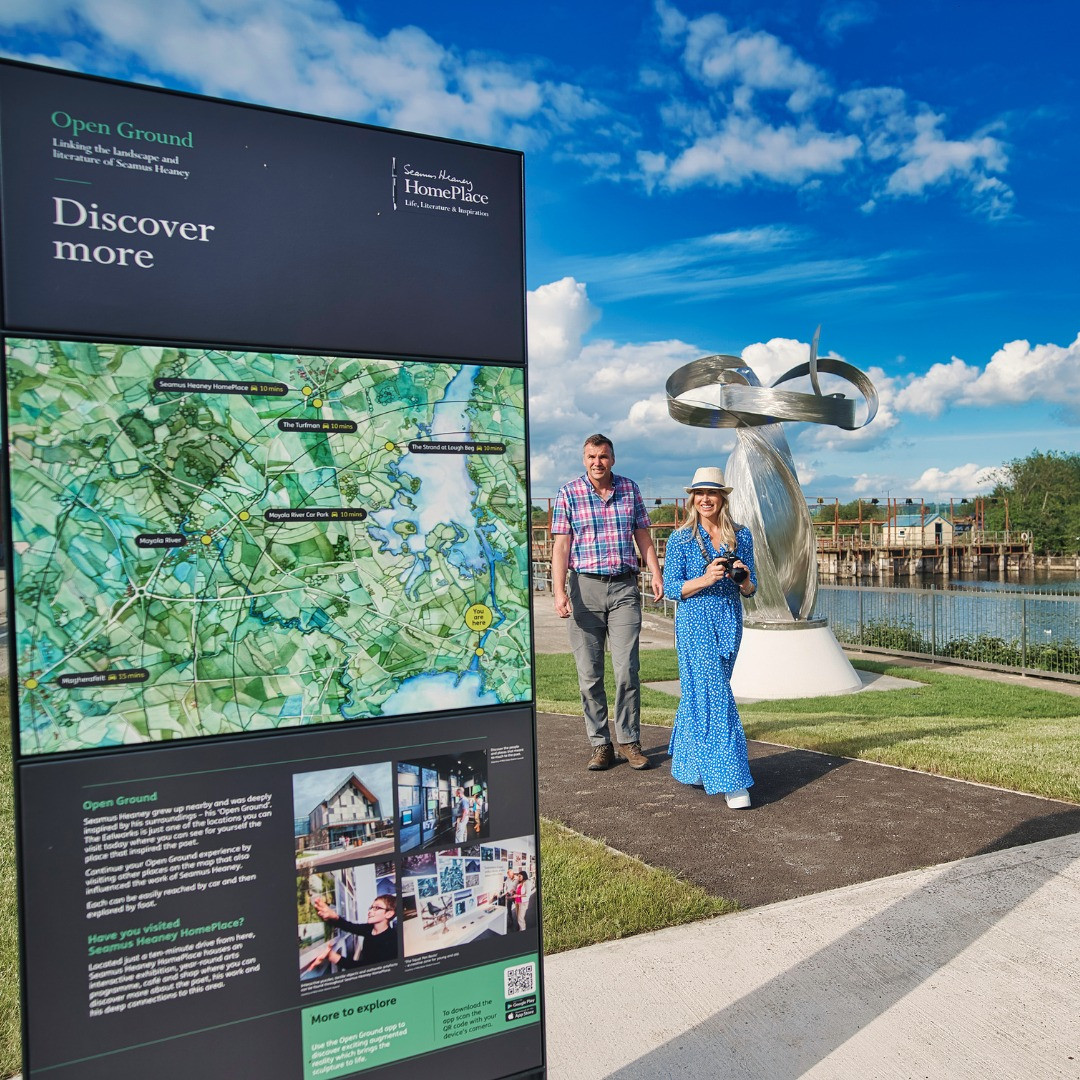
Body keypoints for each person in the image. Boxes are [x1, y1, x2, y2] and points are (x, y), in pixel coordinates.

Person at [551, 433, 664, 771]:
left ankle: (629, 741)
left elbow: (642, 534)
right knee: (589, 674)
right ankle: (601, 744)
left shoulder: (629, 489)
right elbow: (561, 545)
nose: (597, 462)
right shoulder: (569, 493)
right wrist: (559, 591)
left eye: (603, 456)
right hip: (584, 588)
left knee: (627, 669)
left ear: (612, 459)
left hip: (623, 588)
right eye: (591, 457)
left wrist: (655, 573)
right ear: (584, 459)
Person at [662, 467, 757, 808]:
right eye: (700, 493)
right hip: (695, 622)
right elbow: (672, 588)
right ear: (692, 499)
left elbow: (752, 588)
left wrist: (743, 579)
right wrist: (706, 578)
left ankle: (692, 767)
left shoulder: (741, 536)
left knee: (699, 696)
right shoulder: (680, 539)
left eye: (712, 493)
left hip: (730, 621)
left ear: (722, 498)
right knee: (715, 697)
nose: (706, 499)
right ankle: (732, 780)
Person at [311, 893, 399, 966]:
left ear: (389, 914)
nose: (370, 911)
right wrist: (334, 916)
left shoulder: (392, 941)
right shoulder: (370, 928)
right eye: (371, 907)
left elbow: (366, 970)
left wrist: (331, 956)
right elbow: (350, 926)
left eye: (376, 908)